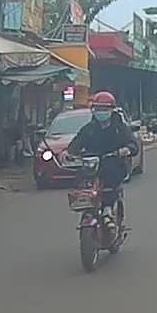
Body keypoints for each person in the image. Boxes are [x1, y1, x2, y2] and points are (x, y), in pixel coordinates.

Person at [66, 92, 139, 225]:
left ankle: (108, 209)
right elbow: (75, 145)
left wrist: (126, 150)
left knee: (111, 178)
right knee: (81, 178)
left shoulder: (120, 128)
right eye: (98, 109)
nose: (101, 112)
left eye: (105, 109)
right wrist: (69, 153)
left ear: (112, 110)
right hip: (92, 165)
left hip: (113, 164)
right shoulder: (88, 129)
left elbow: (133, 145)